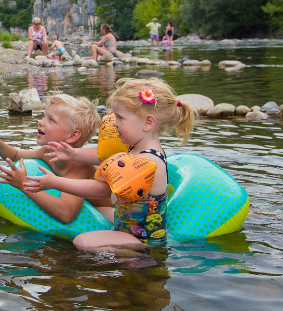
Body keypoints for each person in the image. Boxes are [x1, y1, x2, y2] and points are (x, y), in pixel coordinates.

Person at [23, 78, 196, 253]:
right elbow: (103, 156)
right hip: (126, 222)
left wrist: (55, 182)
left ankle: (142, 257)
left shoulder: (147, 161)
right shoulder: (138, 147)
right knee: (100, 210)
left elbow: (103, 190)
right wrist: (73, 153)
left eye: (120, 118)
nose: (114, 123)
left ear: (148, 122)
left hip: (142, 237)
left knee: (82, 241)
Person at [0, 94, 108, 223]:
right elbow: (16, 155)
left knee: (105, 214)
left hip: (117, 209)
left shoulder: (79, 168)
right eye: (44, 116)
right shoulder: (47, 152)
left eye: (51, 120)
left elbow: (66, 213)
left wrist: (24, 185)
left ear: (72, 136)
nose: (40, 122)